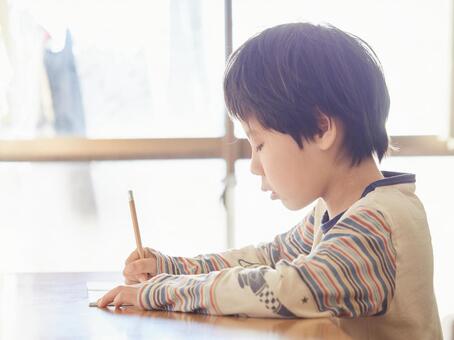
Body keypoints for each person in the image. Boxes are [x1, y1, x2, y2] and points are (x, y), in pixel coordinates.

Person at [98, 22, 442, 339]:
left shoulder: (378, 222)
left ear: (322, 128)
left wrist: (163, 291)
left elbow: (289, 288)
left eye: (259, 143)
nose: (254, 166)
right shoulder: (336, 211)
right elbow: (267, 259)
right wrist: (171, 268)